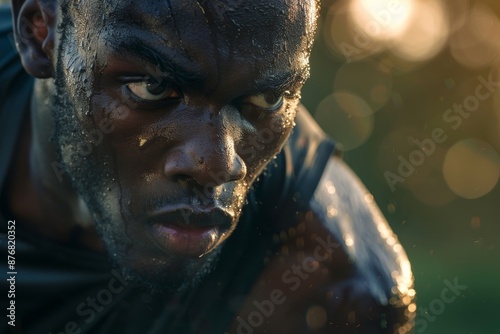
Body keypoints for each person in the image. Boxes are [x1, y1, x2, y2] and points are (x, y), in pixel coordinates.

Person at [0, 0, 415, 333]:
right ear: (40, 32)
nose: (218, 165)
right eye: (153, 87)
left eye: (268, 99)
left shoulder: (333, 286)